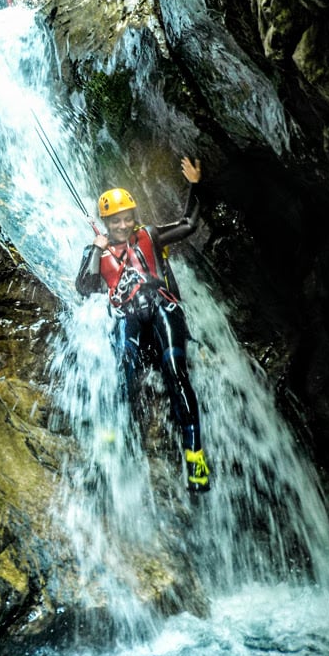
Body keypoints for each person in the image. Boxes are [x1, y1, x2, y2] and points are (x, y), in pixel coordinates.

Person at [75, 157, 211, 493]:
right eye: (115, 220)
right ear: (105, 221)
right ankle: (111, 438)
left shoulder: (149, 235)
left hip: (163, 308)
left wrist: (196, 184)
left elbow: (188, 225)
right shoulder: (97, 251)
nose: (123, 224)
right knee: (124, 372)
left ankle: (195, 455)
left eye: (127, 217)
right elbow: (85, 288)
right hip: (128, 317)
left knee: (176, 374)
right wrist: (96, 250)